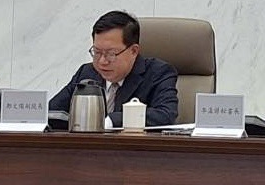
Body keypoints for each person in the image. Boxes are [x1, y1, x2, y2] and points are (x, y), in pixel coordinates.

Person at [50, 10, 178, 127]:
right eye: (97, 52)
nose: (102, 61)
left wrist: (111, 121)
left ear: (133, 51)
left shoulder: (158, 73)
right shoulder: (86, 73)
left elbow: (166, 114)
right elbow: (53, 112)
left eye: (111, 54)